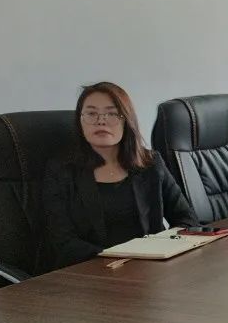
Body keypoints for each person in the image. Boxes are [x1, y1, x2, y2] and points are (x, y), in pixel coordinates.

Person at [43, 81, 198, 269]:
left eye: (112, 114)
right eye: (91, 114)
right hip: (92, 272)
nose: (101, 121)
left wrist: (164, 249)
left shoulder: (150, 163)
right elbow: (63, 242)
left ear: (127, 120)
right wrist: (120, 259)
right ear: (80, 121)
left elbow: (186, 219)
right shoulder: (61, 171)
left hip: (152, 269)